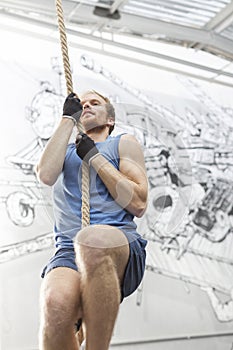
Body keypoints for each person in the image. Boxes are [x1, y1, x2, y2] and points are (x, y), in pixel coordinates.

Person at [36, 90, 148, 350]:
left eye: (94, 103)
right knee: (55, 302)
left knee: (91, 240)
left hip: (118, 243)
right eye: (81, 104)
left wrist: (95, 157)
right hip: (68, 248)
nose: (85, 105)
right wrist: (67, 119)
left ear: (109, 118)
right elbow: (45, 175)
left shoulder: (122, 143)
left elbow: (139, 203)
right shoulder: (63, 150)